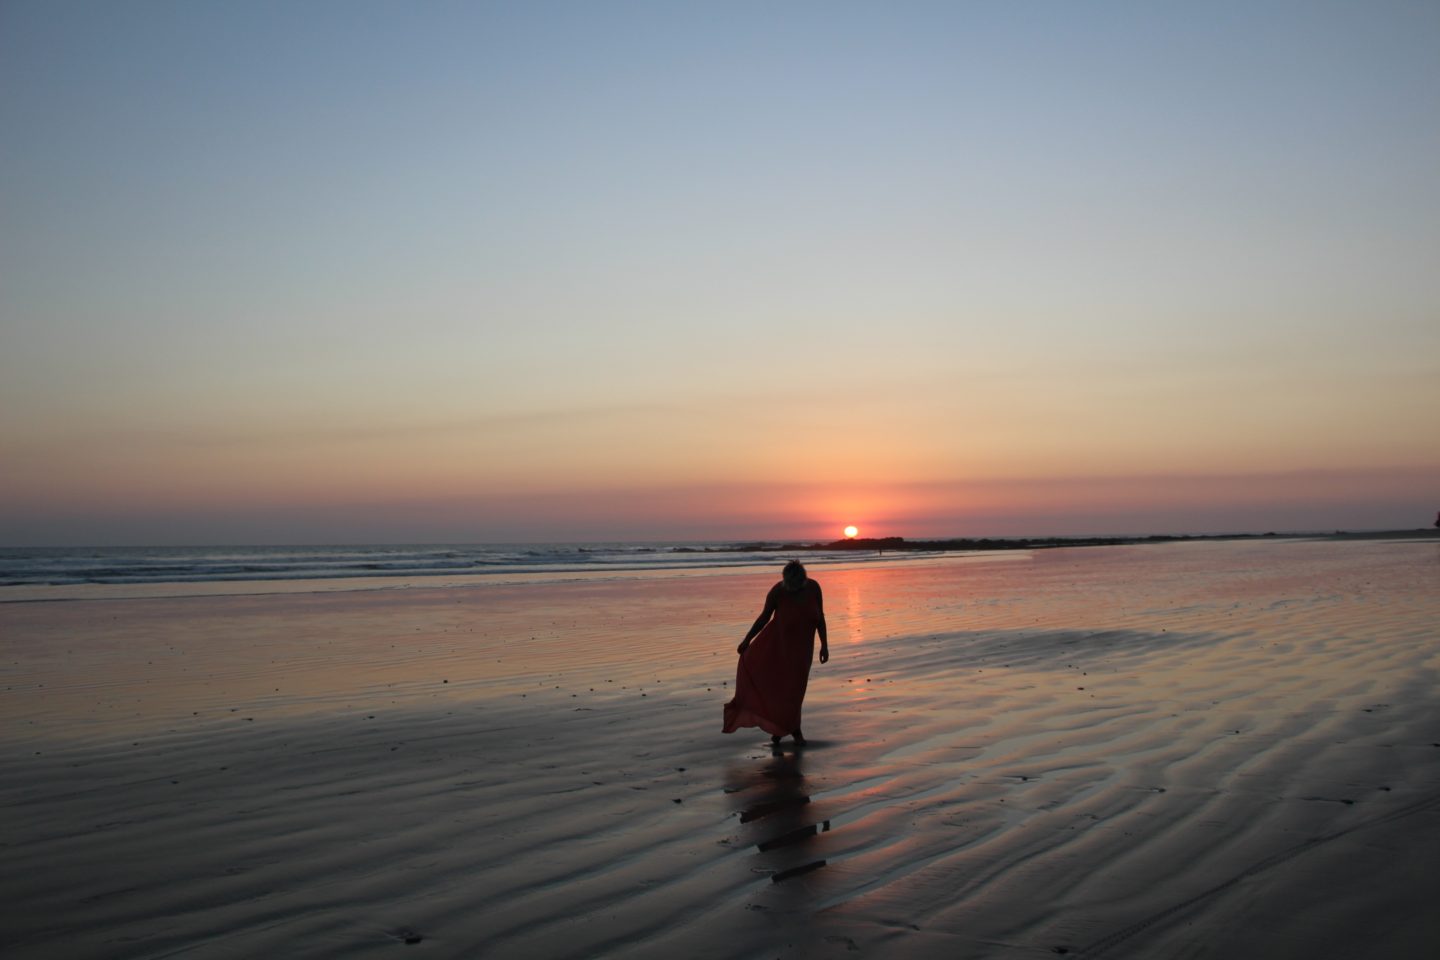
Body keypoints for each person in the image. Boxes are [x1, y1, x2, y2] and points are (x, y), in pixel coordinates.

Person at [722, 559, 829, 745]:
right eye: (790, 585)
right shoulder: (778, 591)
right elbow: (764, 618)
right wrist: (747, 639)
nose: (793, 589)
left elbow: (820, 618)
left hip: (803, 652)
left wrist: (824, 645)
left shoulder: (814, 588)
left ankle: (781, 731)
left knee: (796, 691)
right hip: (778, 649)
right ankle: (793, 732)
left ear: (803, 579)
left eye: (796, 585)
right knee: (784, 690)